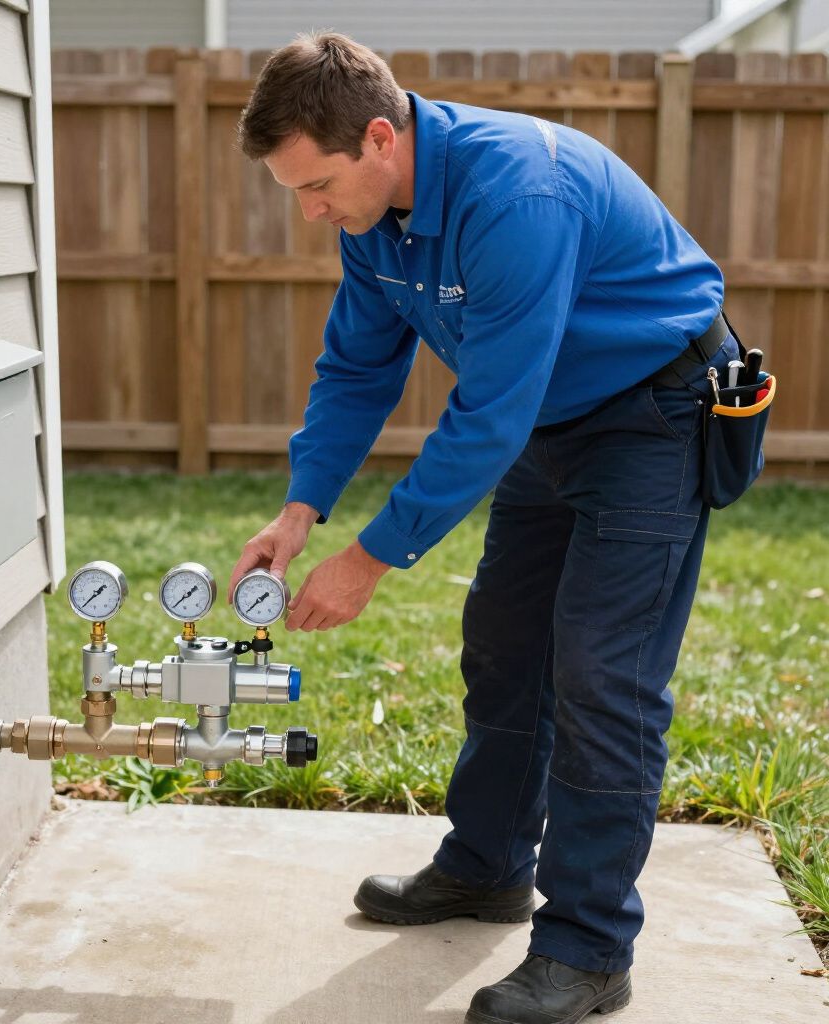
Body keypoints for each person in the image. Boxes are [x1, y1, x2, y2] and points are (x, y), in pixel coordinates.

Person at [230, 32, 732, 1024]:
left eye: (317, 185)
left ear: (380, 136)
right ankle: (487, 867)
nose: (311, 210)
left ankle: (589, 948)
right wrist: (301, 512)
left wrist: (369, 558)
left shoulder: (517, 195)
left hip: (651, 419)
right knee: (504, 646)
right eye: (296, 191)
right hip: (551, 423)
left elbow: (488, 412)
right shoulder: (374, 214)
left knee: (601, 673)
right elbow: (358, 366)